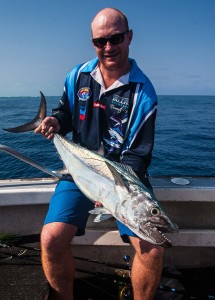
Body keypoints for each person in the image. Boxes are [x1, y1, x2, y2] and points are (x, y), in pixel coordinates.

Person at [35, 7, 163, 300]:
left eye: (116, 38)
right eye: (99, 41)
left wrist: (107, 189)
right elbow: (65, 115)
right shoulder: (77, 75)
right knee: (51, 239)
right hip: (79, 169)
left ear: (129, 37)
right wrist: (55, 122)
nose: (108, 47)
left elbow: (138, 157)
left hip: (123, 180)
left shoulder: (143, 92)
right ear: (92, 42)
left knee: (153, 248)